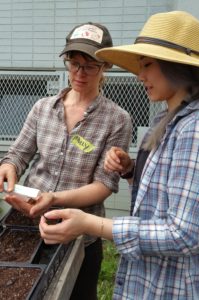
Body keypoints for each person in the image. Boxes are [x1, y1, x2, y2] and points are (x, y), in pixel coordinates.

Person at [39, 11, 199, 299]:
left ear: (179, 67)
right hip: (149, 275)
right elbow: (162, 194)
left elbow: (184, 234)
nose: (140, 75)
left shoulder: (193, 129)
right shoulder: (166, 120)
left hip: (169, 284)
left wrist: (91, 224)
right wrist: (130, 169)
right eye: (73, 64)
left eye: (147, 64)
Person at [0, 22, 132, 300]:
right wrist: (8, 169)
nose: (79, 73)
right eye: (74, 63)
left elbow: (104, 185)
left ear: (105, 66)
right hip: (27, 221)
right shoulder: (43, 108)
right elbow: (18, 155)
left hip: (80, 233)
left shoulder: (116, 119)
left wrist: (54, 198)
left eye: (90, 65)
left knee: (79, 293)